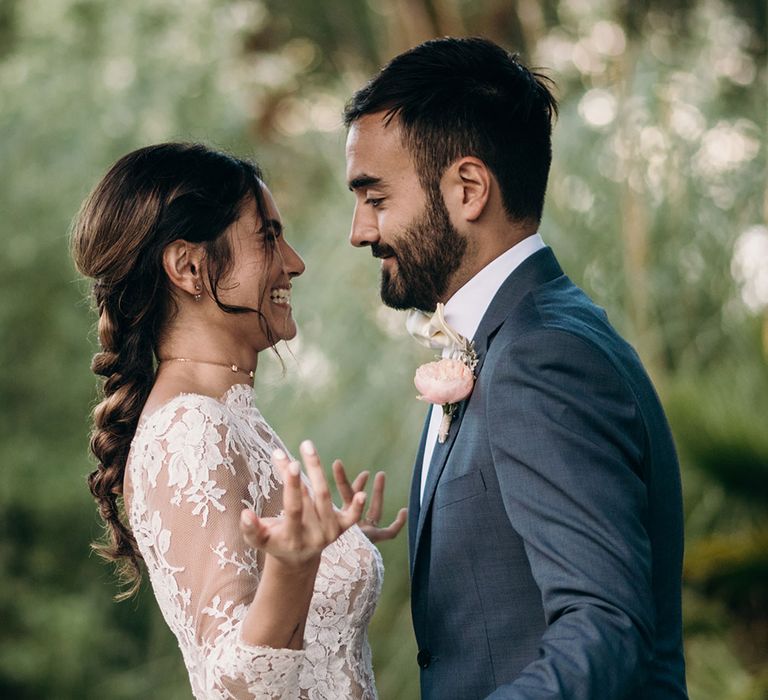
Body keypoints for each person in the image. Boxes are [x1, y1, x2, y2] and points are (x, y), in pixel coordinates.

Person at [343, 37, 688, 699]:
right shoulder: (520, 336)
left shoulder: (544, 355)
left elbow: (603, 626)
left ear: (468, 189)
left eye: (376, 198)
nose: (359, 230)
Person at [71, 143, 406, 700]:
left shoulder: (224, 417)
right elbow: (236, 684)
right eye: (268, 237)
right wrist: (296, 568)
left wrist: (330, 553)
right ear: (188, 266)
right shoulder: (189, 432)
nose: (293, 262)